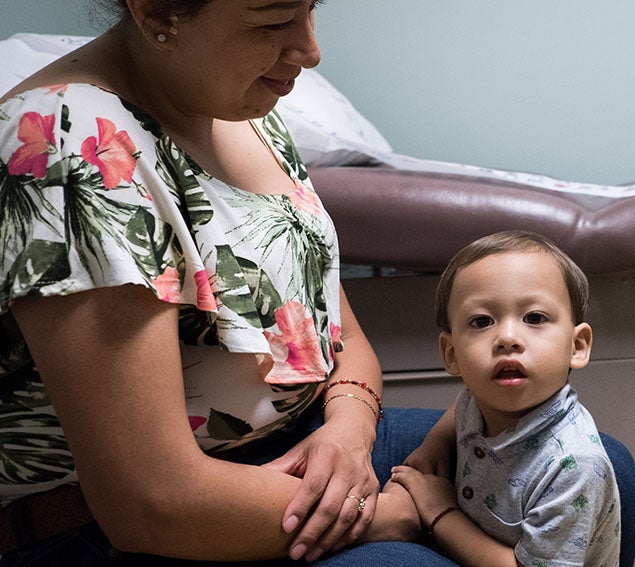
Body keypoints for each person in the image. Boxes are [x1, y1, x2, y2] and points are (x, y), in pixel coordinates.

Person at [0, 1, 459, 564]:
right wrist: (387, 517)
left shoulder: (240, 104)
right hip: (115, 523)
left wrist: (350, 429)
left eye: (310, 10)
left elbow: (344, 342)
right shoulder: (70, 146)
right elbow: (153, 503)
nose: (310, 51)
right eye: (271, 23)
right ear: (157, 13)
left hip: (307, 437)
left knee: (579, 460)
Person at [389, 230, 622, 567]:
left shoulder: (574, 467)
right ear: (451, 353)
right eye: (482, 321)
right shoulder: (483, 396)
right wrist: (434, 445)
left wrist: (440, 510)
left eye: (534, 318)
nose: (507, 338)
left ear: (578, 346)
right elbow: (464, 403)